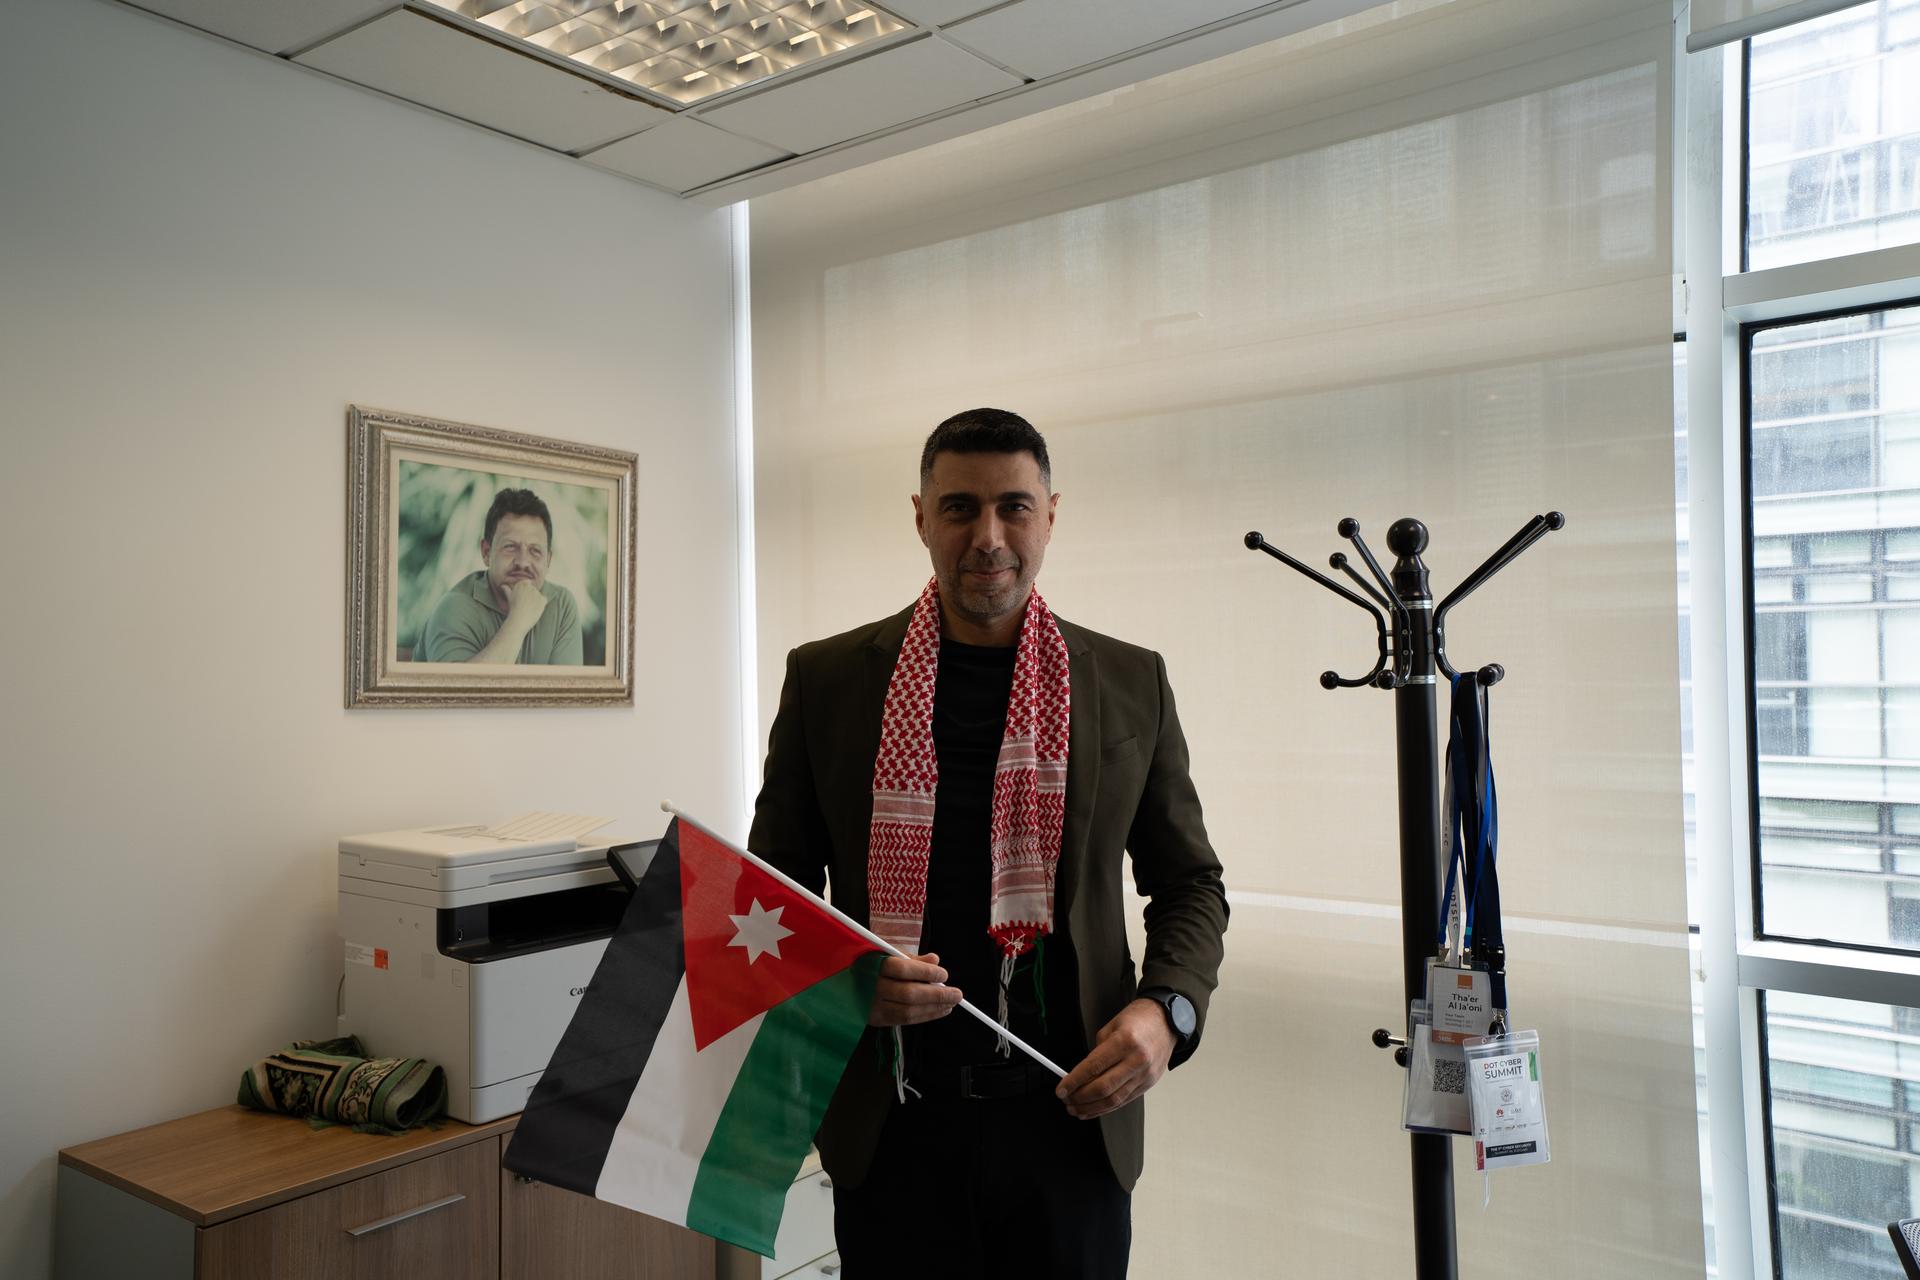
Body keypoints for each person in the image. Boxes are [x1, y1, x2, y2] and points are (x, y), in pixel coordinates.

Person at [749, 408, 1228, 1279]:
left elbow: (1190, 882)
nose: (989, 537)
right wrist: (842, 982)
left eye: (1014, 507)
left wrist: (1169, 1012)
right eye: (960, 508)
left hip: (1072, 1124)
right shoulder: (826, 680)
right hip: (892, 1126)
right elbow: (767, 898)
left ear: (1051, 516)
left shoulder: (1131, 681)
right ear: (921, 517)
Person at [417, 487, 583, 665]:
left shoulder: (561, 605)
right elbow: (462, 684)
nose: (523, 562)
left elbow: (566, 684)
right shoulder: (453, 608)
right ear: (486, 553)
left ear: (548, 560)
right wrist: (518, 620)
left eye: (535, 550)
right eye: (510, 547)